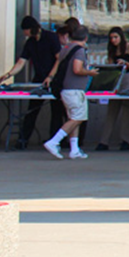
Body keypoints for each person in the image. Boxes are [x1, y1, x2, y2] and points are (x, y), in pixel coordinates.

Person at [0, 15, 61, 150]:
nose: (24, 33)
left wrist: (50, 76)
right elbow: (22, 61)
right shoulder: (30, 43)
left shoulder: (51, 37)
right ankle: (23, 139)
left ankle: (54, 140)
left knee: (56, 111)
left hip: (54, 78)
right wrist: (9, 74)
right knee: (31, 110)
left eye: (25, 30)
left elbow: (59, 58)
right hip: (39, 78)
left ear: (31, 29)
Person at [42, 24, 96, 159]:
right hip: (75, 90)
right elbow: (77, 69)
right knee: (78, 118)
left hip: (65, 89)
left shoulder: (66, 48)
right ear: (86, 37)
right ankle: (54, 142)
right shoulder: (79, 50)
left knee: (74, 118)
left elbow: (58, 64)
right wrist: (90, 72)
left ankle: (74, 149)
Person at [97, 26, 129, 151]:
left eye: (115, 37)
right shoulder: (112, 49)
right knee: (112, 110)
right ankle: (104, 141)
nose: (113, 40)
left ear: (121, 37)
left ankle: (125, 140)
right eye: (111, 38)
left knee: (128, 110)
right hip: (117, 78)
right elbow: (111, 65)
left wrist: (125, 63)